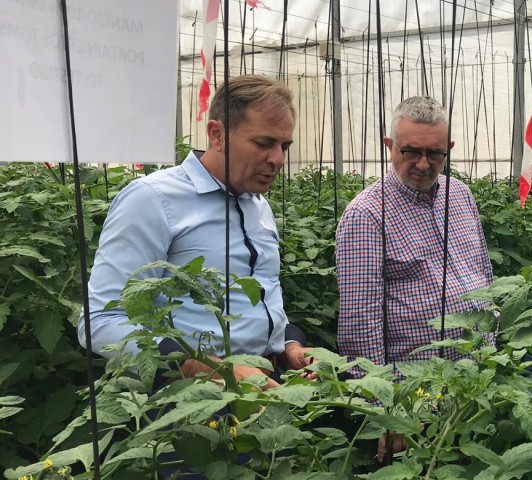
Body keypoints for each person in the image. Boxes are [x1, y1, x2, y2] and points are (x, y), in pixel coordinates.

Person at [80, 74, 314, 389]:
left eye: (284, 146)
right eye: (263, 143)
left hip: (268, 385)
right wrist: (210, 369)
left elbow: (259, 302)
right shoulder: (153, 199)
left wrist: (290, 346)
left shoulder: (258, 204)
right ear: (217, 134)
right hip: (194, 399)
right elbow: (99, 322)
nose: (277, 159)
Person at [335, 96, 494, 375]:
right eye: (411, 152)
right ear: (389, 146)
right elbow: (361, 324)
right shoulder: (367, 214)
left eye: (435, 154)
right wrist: (378, 394)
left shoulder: (459, 194)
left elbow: (483, 272)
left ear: (448, 149)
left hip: (478, 372)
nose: (423, 164)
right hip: (416, 387)